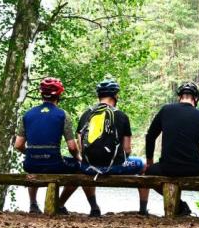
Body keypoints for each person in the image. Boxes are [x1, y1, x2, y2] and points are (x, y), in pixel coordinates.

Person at [57, 78, 145, 217]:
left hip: (88, 167)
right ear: (115, 96)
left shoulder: (86, 114)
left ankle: (93, 208)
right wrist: (120, 160)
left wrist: (86, 159)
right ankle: (143, 210)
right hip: (114, 167)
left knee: (84, 168)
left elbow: (80, 145)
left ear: (99, 95)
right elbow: (127, 149)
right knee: (143, 165)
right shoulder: (121, 116)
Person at [141, 82, 199, 218]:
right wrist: (197, 161)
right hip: (193, 168)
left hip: (167, 167)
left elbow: (150, 136)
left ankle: (181, 206)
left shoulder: (166, 110)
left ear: (179, 97)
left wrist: (150, 162)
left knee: (147, 173)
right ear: (196, 98)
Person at [14, 77, 80, 214]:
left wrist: (31, 153)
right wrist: (78, 157)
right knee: (80, 169)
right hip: (54, 164)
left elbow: (18, 145)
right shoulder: (63, 115)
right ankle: (59, 204)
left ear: (41, 94)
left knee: (32, 165)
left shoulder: (27, 115)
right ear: (59, 95)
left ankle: (33, 204)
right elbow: (72, 147)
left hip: (31, 164)